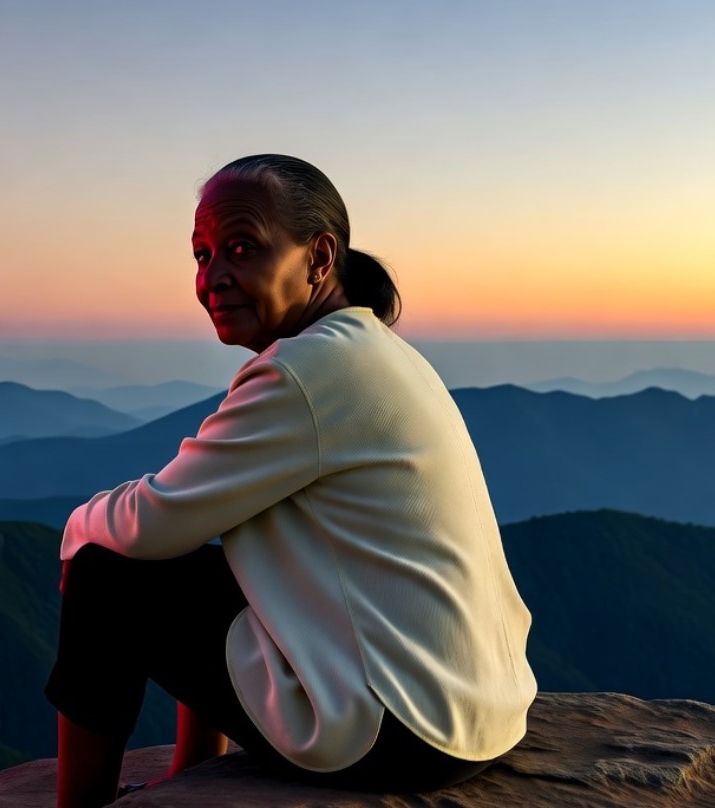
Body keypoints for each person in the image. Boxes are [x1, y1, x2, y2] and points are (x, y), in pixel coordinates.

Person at [44, 154, 537, 808]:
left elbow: (151, 523)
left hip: (396, 729)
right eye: (201, 254)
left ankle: (80, 804)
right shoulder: (369, 349)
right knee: (190, 559)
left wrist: (76, 533)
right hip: (473, 711)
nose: (213, 277)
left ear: (317, 257)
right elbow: (186, 518)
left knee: (107, 571)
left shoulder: (302, 372)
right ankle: (190, 774)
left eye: (241, 248)